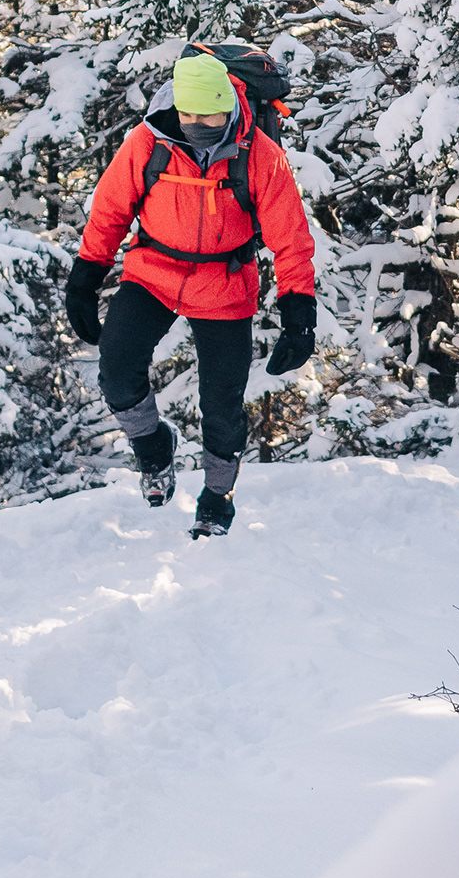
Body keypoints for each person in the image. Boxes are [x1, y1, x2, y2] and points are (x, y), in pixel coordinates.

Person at [64, 46, 318, 539]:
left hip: (224, 283)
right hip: (152, 273)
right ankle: (154, 449)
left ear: (228, 106)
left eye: (209, 115)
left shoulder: (260, 155)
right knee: (116, 369)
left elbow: (290, 238)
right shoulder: (149, 141)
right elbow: (110, 211)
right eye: (189, 114)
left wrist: (298, 314)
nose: (198, 124)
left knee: (222, 405)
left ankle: (217, 497)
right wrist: (84, 280)